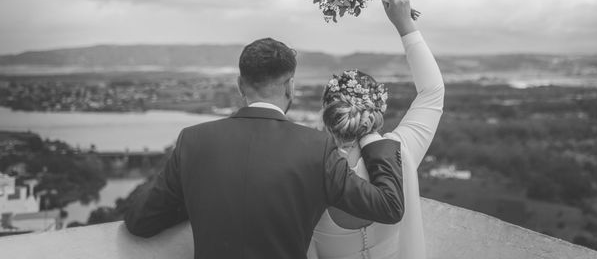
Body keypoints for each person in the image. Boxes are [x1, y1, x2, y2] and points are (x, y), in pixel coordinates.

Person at [125, 35, 405, 258]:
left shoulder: (193, 141)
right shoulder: (316, 147)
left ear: (239, 85)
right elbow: (388, 207)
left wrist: (195, 197)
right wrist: (374, 140)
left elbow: (140, 221)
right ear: (290, 87)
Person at [309, 0, 445, 259]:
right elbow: (432, 90)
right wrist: (404, 23)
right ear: (377, 108)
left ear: (328, 110)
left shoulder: (308, 166)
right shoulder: (398, 153)